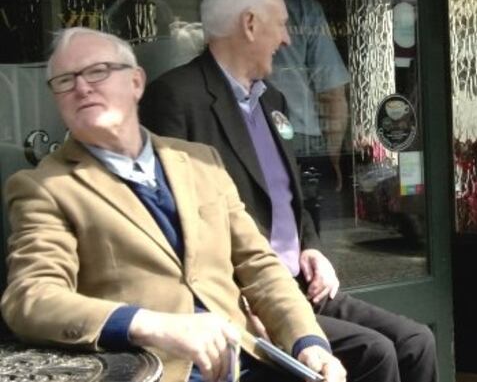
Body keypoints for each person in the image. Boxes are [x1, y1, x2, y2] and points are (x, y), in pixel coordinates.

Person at [0, 27, 347, 382]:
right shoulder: (45, 186)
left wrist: (308, 342)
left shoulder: (199, 160)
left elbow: (259, 265)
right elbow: (31, 298)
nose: (82, 87)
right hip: (156, 369)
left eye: (97, 71)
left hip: (248, 358)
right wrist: (150, 325)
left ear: (136, 82)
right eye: (64, 80)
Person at [139, 0, 437, 382]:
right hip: (247, 297)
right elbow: (175, 222)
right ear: (249, 24)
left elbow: (289, 196)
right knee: (376, 353)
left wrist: (311, 247)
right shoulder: (176, 97)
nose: (287, 40)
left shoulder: (272, 100)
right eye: (280, 25)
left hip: (298, 282)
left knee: (416, 341)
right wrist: (231, 302)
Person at [269, 0, 351, 192]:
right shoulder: (302, 8)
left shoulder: (235, 2)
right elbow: (333, 93)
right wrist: (333, 157)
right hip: (301, 138)